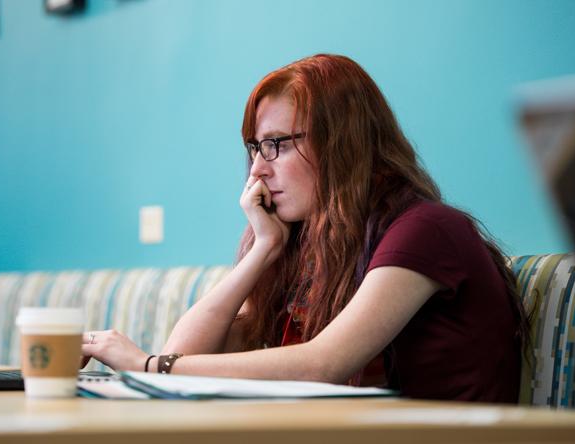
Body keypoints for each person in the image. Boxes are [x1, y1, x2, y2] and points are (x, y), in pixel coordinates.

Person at [81, 54, 529, 402]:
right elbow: (190, 351)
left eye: (276, 144)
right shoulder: (316, 247)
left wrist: (147, 365)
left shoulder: (425, 230)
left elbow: (323, 364)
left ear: (342, 142)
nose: (257, 169)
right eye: (255, 147)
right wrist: (263, 249)